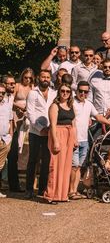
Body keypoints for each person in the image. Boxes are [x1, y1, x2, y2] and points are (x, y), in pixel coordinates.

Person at [69, 80, 110, 199]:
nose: (83, 94)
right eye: (80, 91)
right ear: (76, 91)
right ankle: (70, 190)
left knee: (79, 167)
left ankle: (74, 190)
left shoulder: (88, 104)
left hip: (84, 140)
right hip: (73, 139)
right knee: (74, 166)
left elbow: (98, 116)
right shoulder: (71, 102)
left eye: (85, 92)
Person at [43, 82, 77, 204]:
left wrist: (75, 139)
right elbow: (52, 125)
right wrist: (55, 141)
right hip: (58, 134)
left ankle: (62, 195)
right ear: (59, 92)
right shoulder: (54, 106)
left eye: (67, 91)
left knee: (66, 166)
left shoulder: (71, 106)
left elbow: (74, 123)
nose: (65, 93)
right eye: (62, 91)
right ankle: (51, 195)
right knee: (55, 165)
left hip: (69, 135)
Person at [25, 69, 56, 198]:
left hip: (49, 131)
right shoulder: (33, 93)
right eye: (43, 77)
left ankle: (42, 189)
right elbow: (30, 113)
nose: (45, 79)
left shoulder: (54, 93)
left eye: (48, 77)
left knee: (46, 161)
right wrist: (40, 129)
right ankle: (29, 189)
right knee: (33, 160)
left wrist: (50, 129)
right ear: (39, 78)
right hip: (35, 132)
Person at [0, 82, 13, 198]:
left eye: (3, 93)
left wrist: (10, 136)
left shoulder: (7, 105)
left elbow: (10, 121)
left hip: (5, 139)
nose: (0, 95)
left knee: (1, 165)